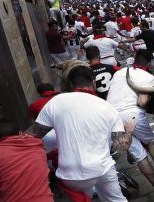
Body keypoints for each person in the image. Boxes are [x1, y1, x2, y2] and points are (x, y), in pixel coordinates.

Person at [28, 65, 136, 201]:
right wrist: (129, 131)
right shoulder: (108, 107)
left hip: (70, 173)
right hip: (102, 168)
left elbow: (33, 135)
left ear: (71, 84)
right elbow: (121, 148)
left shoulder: (56, 102)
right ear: (94, 83)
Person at [107, 49, 154, 200]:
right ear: (149, 62)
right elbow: (142, 102)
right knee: (151, 141)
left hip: (111, 116)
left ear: (135, 59)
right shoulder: (147, 76)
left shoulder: (119, 72)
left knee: (140, 156)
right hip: (131, 113)